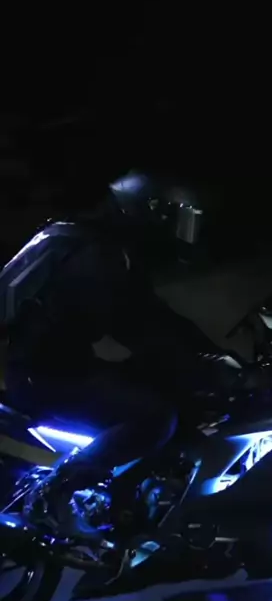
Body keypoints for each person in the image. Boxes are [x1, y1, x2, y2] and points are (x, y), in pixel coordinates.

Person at [1, 175, 233, 546]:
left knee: (165, 386)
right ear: (147, 213)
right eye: (177, 222)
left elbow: (157, 315)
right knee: (154, 416)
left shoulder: (104, 248)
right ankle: (54, 493)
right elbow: (134, 326)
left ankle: (134, 502)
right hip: (44, 375)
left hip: (60, 366)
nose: (178, 233)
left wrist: (217, 354)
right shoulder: (95, 254)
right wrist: (197, 364)